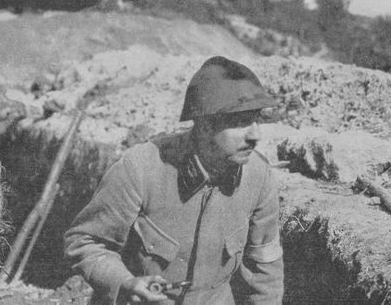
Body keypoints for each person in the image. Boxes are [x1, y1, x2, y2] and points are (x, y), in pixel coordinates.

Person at [64, 56, 285, 304]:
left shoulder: (258, 177)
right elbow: (85, 242)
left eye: (256, 119)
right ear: (205, 125)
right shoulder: (141, 168)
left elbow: (264, 268)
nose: (256, 135)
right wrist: (125, 283)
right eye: (241, 122)